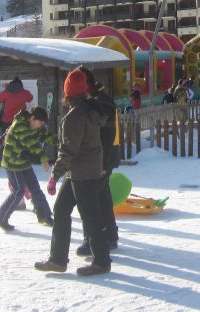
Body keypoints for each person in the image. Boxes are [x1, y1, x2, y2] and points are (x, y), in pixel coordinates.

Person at [35, 69, 111, 276]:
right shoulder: (90, 109)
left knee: (91, 217)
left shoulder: (75, 116)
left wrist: (54, 176)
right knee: (61, 211)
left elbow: (69, 150)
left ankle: (102, 262)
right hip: (84, 170)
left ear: (67, 91)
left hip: (82, 173)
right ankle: (58, 260)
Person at [74, 65, 120, 258]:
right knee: (102, 197)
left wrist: (102, 163)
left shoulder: (101, 103)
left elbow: (106, 135)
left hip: (101, 158)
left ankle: (93, 239)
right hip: (102, 158)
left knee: (90, 201)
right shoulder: (99, 100)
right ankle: (109, 236)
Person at [0, 106, 56, 230]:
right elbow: (31, 143)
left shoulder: (37, 126)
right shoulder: (19, 125)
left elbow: (47, 136)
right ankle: (0, 218)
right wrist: (43, 159)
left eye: (43, 123)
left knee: (35, 189)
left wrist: (63, 142)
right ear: (32, 118)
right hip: (12, 162)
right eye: (39, 122)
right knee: (18, 191)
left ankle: (44, 215)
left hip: (24, 162)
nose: (40, 125)